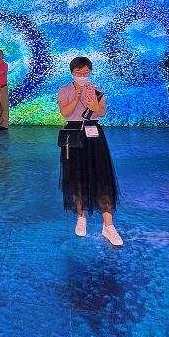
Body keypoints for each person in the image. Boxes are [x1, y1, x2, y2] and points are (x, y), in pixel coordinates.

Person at [57, 56, 123, 246]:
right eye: (79, 72)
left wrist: (94, 105)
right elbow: (65, 113)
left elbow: (102, 112)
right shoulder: (64, 90)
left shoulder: (97, 91)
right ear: (72, 72)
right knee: (75, 175)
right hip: (73, 134)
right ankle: (80, 216)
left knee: (101, 176)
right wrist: (77, 98)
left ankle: (108, 225)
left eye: (86, 72)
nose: (82, 75)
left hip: (94, 133)